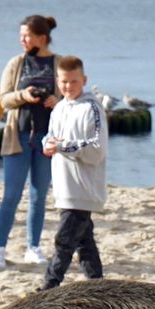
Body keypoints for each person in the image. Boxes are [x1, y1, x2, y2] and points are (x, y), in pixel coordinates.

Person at [0, 15, 60, 268]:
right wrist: (24, 95)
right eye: (21, 35)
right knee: (11, 194)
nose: (22, 40)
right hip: (17, 136)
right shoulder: (16, 63)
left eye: (27, 35)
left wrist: (57, 99)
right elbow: (4, 99)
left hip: (47, 137)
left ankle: (33, 247)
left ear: (42, 37)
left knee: (39, 194)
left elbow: (69, 95)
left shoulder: (58, 62)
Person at [40, 56, 107, 290]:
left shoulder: (92, 108)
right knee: (84, 243)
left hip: (83, 188)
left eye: (73, 82)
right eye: (64, 82)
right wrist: (48, 144)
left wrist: (63, 146)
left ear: (84, 80)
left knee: (64, 241)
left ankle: (48, 287)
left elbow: (96, 149)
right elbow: (50, 136)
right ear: (57, 81)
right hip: (63, 186)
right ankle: (99, 287)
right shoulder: (58, 107)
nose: (68, 87)